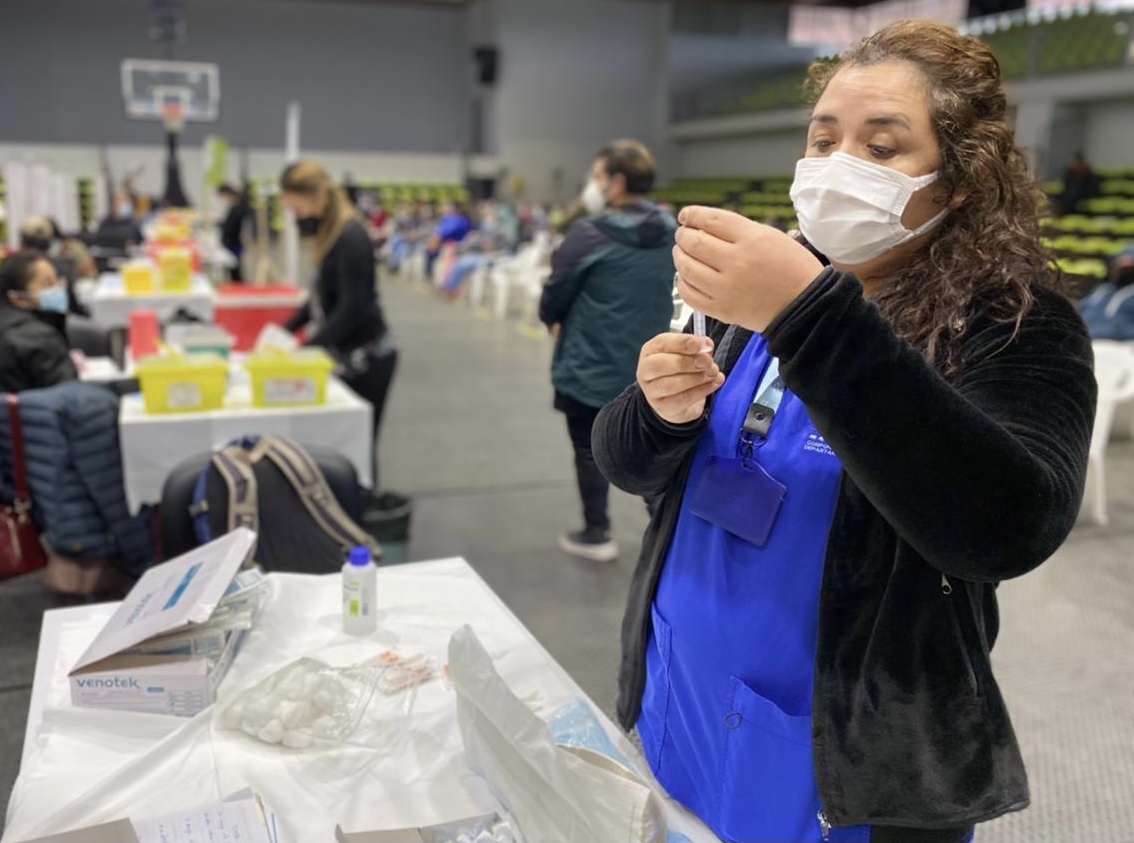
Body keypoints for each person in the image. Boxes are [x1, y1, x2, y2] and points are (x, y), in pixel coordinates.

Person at [593, 21, 1094, 843]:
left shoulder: (1012, 322)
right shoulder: (763, 281)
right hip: (682, 687)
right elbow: (632, 465)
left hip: (848, 759)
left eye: (883, 146)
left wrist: (808, 316)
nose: (836, 166)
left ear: (958, 181)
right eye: (823, 140)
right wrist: (654, 410)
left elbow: (1007, 526)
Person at [539, 139, 676, 562]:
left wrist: (552, 318)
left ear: (616, 182)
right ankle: (669, 544)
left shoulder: (590, 232)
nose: (592, 185)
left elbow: (555, 294)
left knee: (588, 451)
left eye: (597, 176)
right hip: (653, 368)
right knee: (655, 460)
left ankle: (597, 532)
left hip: (591, 366)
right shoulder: (675, 229)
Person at [280, 161, 397, 487]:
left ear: (317, 197)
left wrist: (305, 348)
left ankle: (364, 515)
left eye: (298, 208)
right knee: (345, 447)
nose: (297, 217)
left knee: (359, 447)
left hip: (369, 359)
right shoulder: (330, 235)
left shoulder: (351, 237)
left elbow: (352, 308)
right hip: (346, 356)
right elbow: (318, 299)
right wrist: (284, 331)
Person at [0, 251, 79, 393]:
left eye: (57, 281)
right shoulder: (40, 338)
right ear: (19, 298)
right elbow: (70, 399)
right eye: (48, 284)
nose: (58, 289)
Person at [1079, 246, 1134, 339]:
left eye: (1128, 268)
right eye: (1119, 266)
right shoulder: (1101, 291)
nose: (1122, 271)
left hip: (1121, 344)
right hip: (1086, 342)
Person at [216, 183, 251, 282]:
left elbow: (230, 227)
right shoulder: (236, 207)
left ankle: (239, 291)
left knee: (235, 270)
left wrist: (220, 224)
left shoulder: (237, 208)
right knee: (234, 270)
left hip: (233, 243)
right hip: (234, 243)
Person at [1056, 151, 1100, 216]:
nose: (1073, 163)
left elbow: (1092, 190)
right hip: (1070, 197)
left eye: (1075, 161)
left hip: (1083, 197)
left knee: (1071, 197)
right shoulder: (1069, 173)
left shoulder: (1088, 173)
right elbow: (1065, 187)